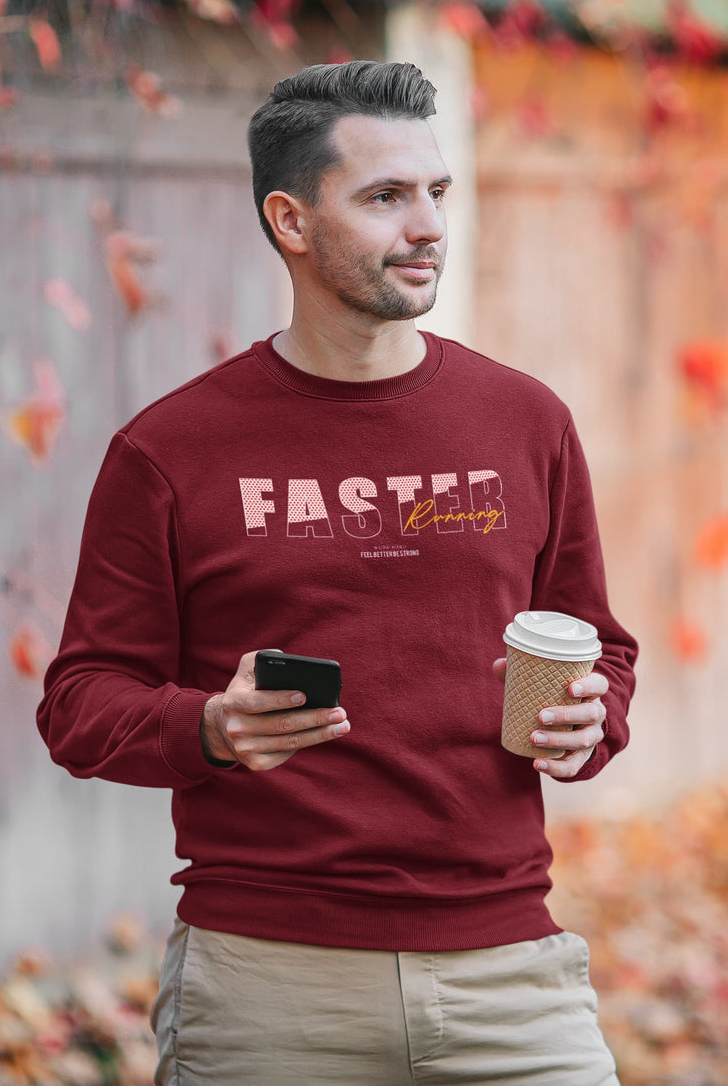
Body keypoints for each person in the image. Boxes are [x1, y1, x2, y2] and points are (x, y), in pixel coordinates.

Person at [37, 60, 637, 1085]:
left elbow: (600, 644)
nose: (429, 225)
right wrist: (207, 729)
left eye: (436, 192)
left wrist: (594, 718)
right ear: (292, 219)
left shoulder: (526, 422)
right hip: (269, 988)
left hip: (509, 977)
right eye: (385, 197)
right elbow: (81, 702)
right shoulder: (170, 450)